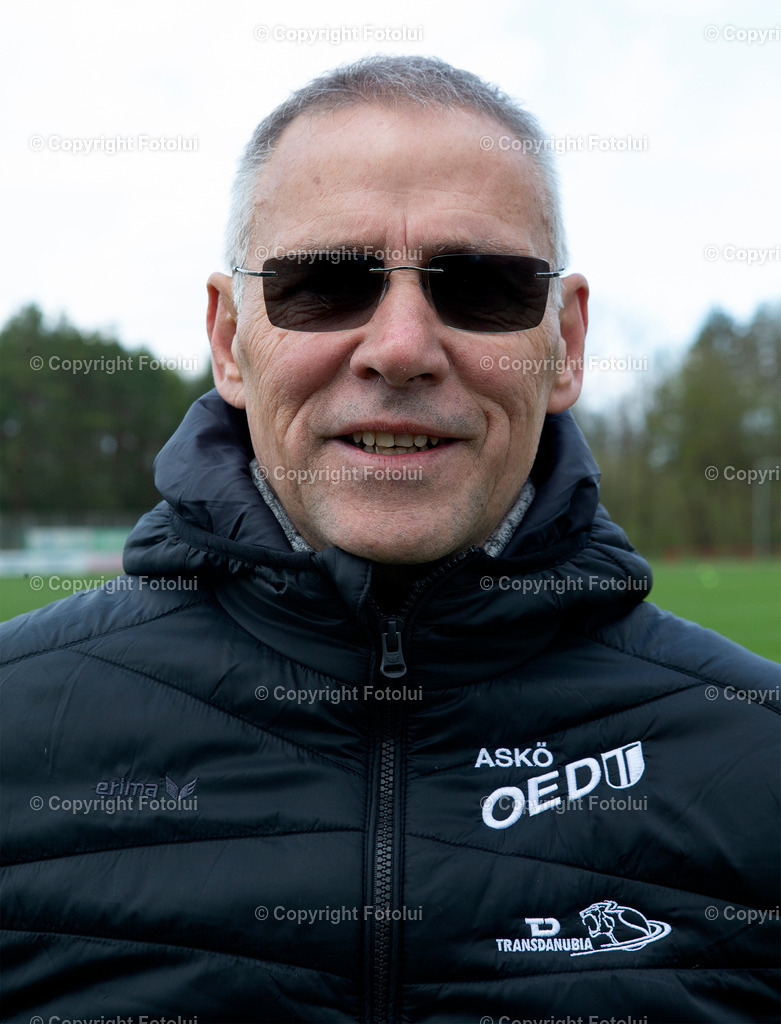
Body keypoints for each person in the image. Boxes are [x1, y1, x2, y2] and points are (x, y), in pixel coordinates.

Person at [1, 55, 778, 1024]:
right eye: (323, 284)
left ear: (566, 345)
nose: (401, 348)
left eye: (481, 286)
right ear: (229, 338)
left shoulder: (759, 755)